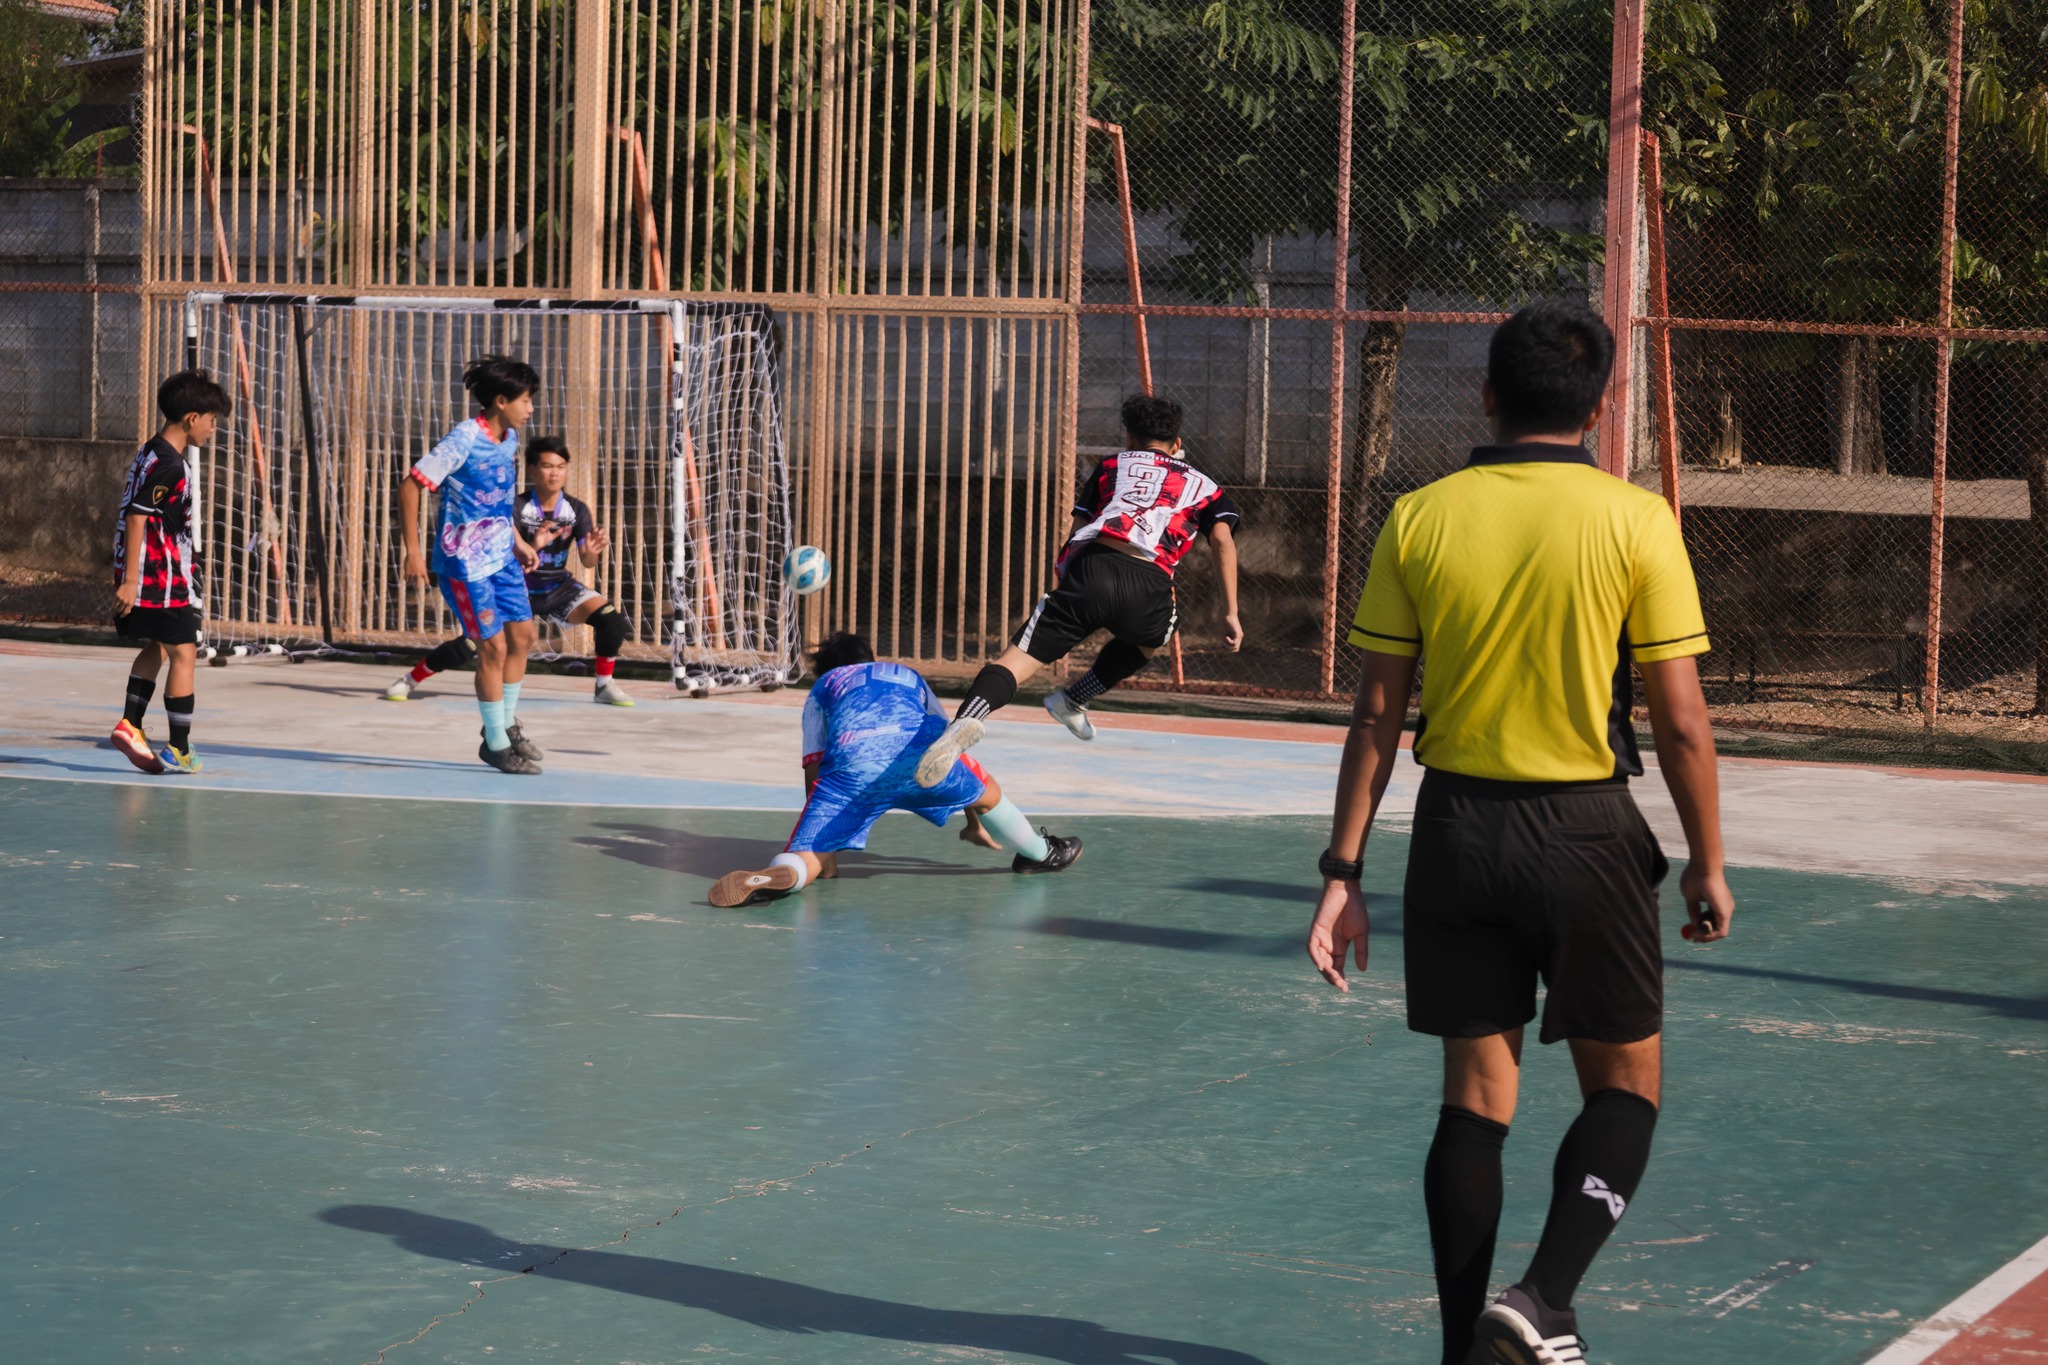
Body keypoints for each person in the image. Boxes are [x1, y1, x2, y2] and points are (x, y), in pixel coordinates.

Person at [1303, 300, 1736, 1365]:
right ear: (1599, 408)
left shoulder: (1418, 517)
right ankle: (1541, 1298)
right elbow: (1679, 721)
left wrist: (1341, 871)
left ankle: (1462, 1354)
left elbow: (1372, 711)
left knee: (1474, 1098)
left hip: (1455, 830)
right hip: (1587, 834)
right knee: (1624, 1090)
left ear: (1486, 395)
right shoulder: (1635, 522)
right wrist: (1705, 864)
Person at [912, 392, 1243, 788]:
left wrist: (1068, 580)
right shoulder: (1206, 486)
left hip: (1091, 567)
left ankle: (965, 721)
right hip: (1150, 581)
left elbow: (1077, 531)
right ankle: (1074, 698)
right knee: (1153, 639)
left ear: (1129, 439)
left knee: (1014, 662)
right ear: (1177, 444)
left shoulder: (1110, 466)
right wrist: (1231, 612)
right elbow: (1222, 541)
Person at [711, 632, 1082, 907]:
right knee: (990, 793)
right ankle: (1038, 852)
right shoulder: (904, 673)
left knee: (803, 858)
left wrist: (827, 852)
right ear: (870, 657)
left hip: (852, 771)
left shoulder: (824, 687)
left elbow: (814, 767)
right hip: (918, 759)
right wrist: (972, 820)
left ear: (827, 669)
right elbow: (949, 742)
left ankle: (781, 874)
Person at [384, 436, 636, 707]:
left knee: (611, 620)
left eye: (561, 466)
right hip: (515, 586)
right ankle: (410, 680)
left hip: (557, 587)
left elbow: (587, 561)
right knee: (473, 644)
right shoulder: (514, 507)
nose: (555, 473)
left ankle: (604, 685)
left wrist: (593, 550)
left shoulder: (575, 510)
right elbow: (501, 554)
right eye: (547, 466)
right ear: (531, 470)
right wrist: (535, 545)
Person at [397, 356, 545, 775]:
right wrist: (413, 551)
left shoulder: (511, 438)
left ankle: (504, 724)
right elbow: (411, 486)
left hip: (501, 555)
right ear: (501, 401)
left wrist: (516, 540)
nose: (530, 408)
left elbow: (496, 498)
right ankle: (495, 743)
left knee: (523, 636)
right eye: (526, 399)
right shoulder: (463, 439)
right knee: (493, 648)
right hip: (465, 563)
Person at [108, 369, 232, 776]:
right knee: (184, 652)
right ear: (191, 418)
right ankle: (178, 747)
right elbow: (138, 516)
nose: (214, 430)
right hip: (158, 577)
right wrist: (131, 580)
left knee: (161, 646)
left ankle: (131, 724)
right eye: (213, 421)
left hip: (149, 571)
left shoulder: (151, 451)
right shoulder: (170, 465)